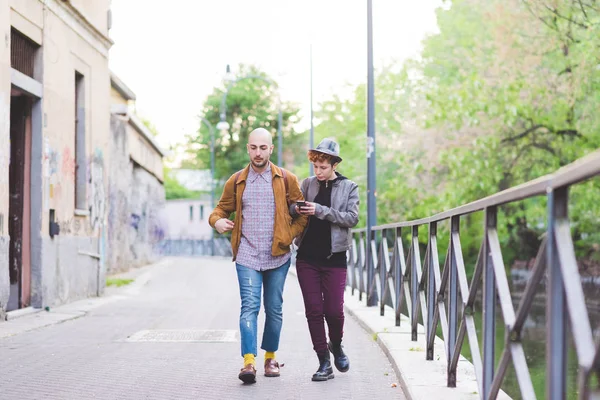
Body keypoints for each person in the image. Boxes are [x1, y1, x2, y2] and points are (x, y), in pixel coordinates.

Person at [209, 128, 307, 384]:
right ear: (248, 148)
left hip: (278, 256)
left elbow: (303, 213)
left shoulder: (287, 179)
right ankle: (249, 362)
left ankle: (271, 357)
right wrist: (217, 222)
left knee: (274, 309)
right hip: (247, 256)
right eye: (253, 147)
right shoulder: (237, 180)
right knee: (249, 307)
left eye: (263, 148)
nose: (258, 152)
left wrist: (289, 235)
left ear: (271, 149)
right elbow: (219, 210)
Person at [290, 138, 359, 382]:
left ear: (333, 164)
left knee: (334, 311)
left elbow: (352, 218)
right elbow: (291, 208)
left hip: (335, 258)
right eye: (315, 166)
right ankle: (323, 362)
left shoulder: (349, 187)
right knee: (313, 311)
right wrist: (296, 209)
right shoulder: (307, 184)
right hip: (307, 257)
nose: (318, 172)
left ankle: (337, 345)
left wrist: (320, 210)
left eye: (323, 167)